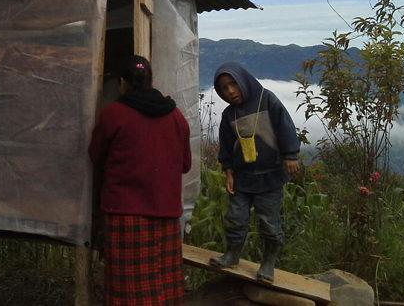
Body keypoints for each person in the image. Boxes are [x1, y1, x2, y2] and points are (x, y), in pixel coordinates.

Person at [88, 55, 192, 305]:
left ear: (122, 83)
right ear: (151, 80)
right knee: (162, 287)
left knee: (128, 291)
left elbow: (95, 155)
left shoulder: (113, 114)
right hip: (166, 213)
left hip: (125, 213)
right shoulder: (176, 116)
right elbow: (185, 165)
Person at [208, 62, 301, 283]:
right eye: (224, 88)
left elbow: (285, 126)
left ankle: (268, 262)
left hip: (270, 176)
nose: (230, 91)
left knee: (269, 221)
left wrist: (290, 155)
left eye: (233, 84)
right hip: (242, 178)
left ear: (244, 81)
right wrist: (228, 172)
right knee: (235, 217)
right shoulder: (229, 114)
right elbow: (226, 145)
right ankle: (232, 254)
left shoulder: (268, 100)